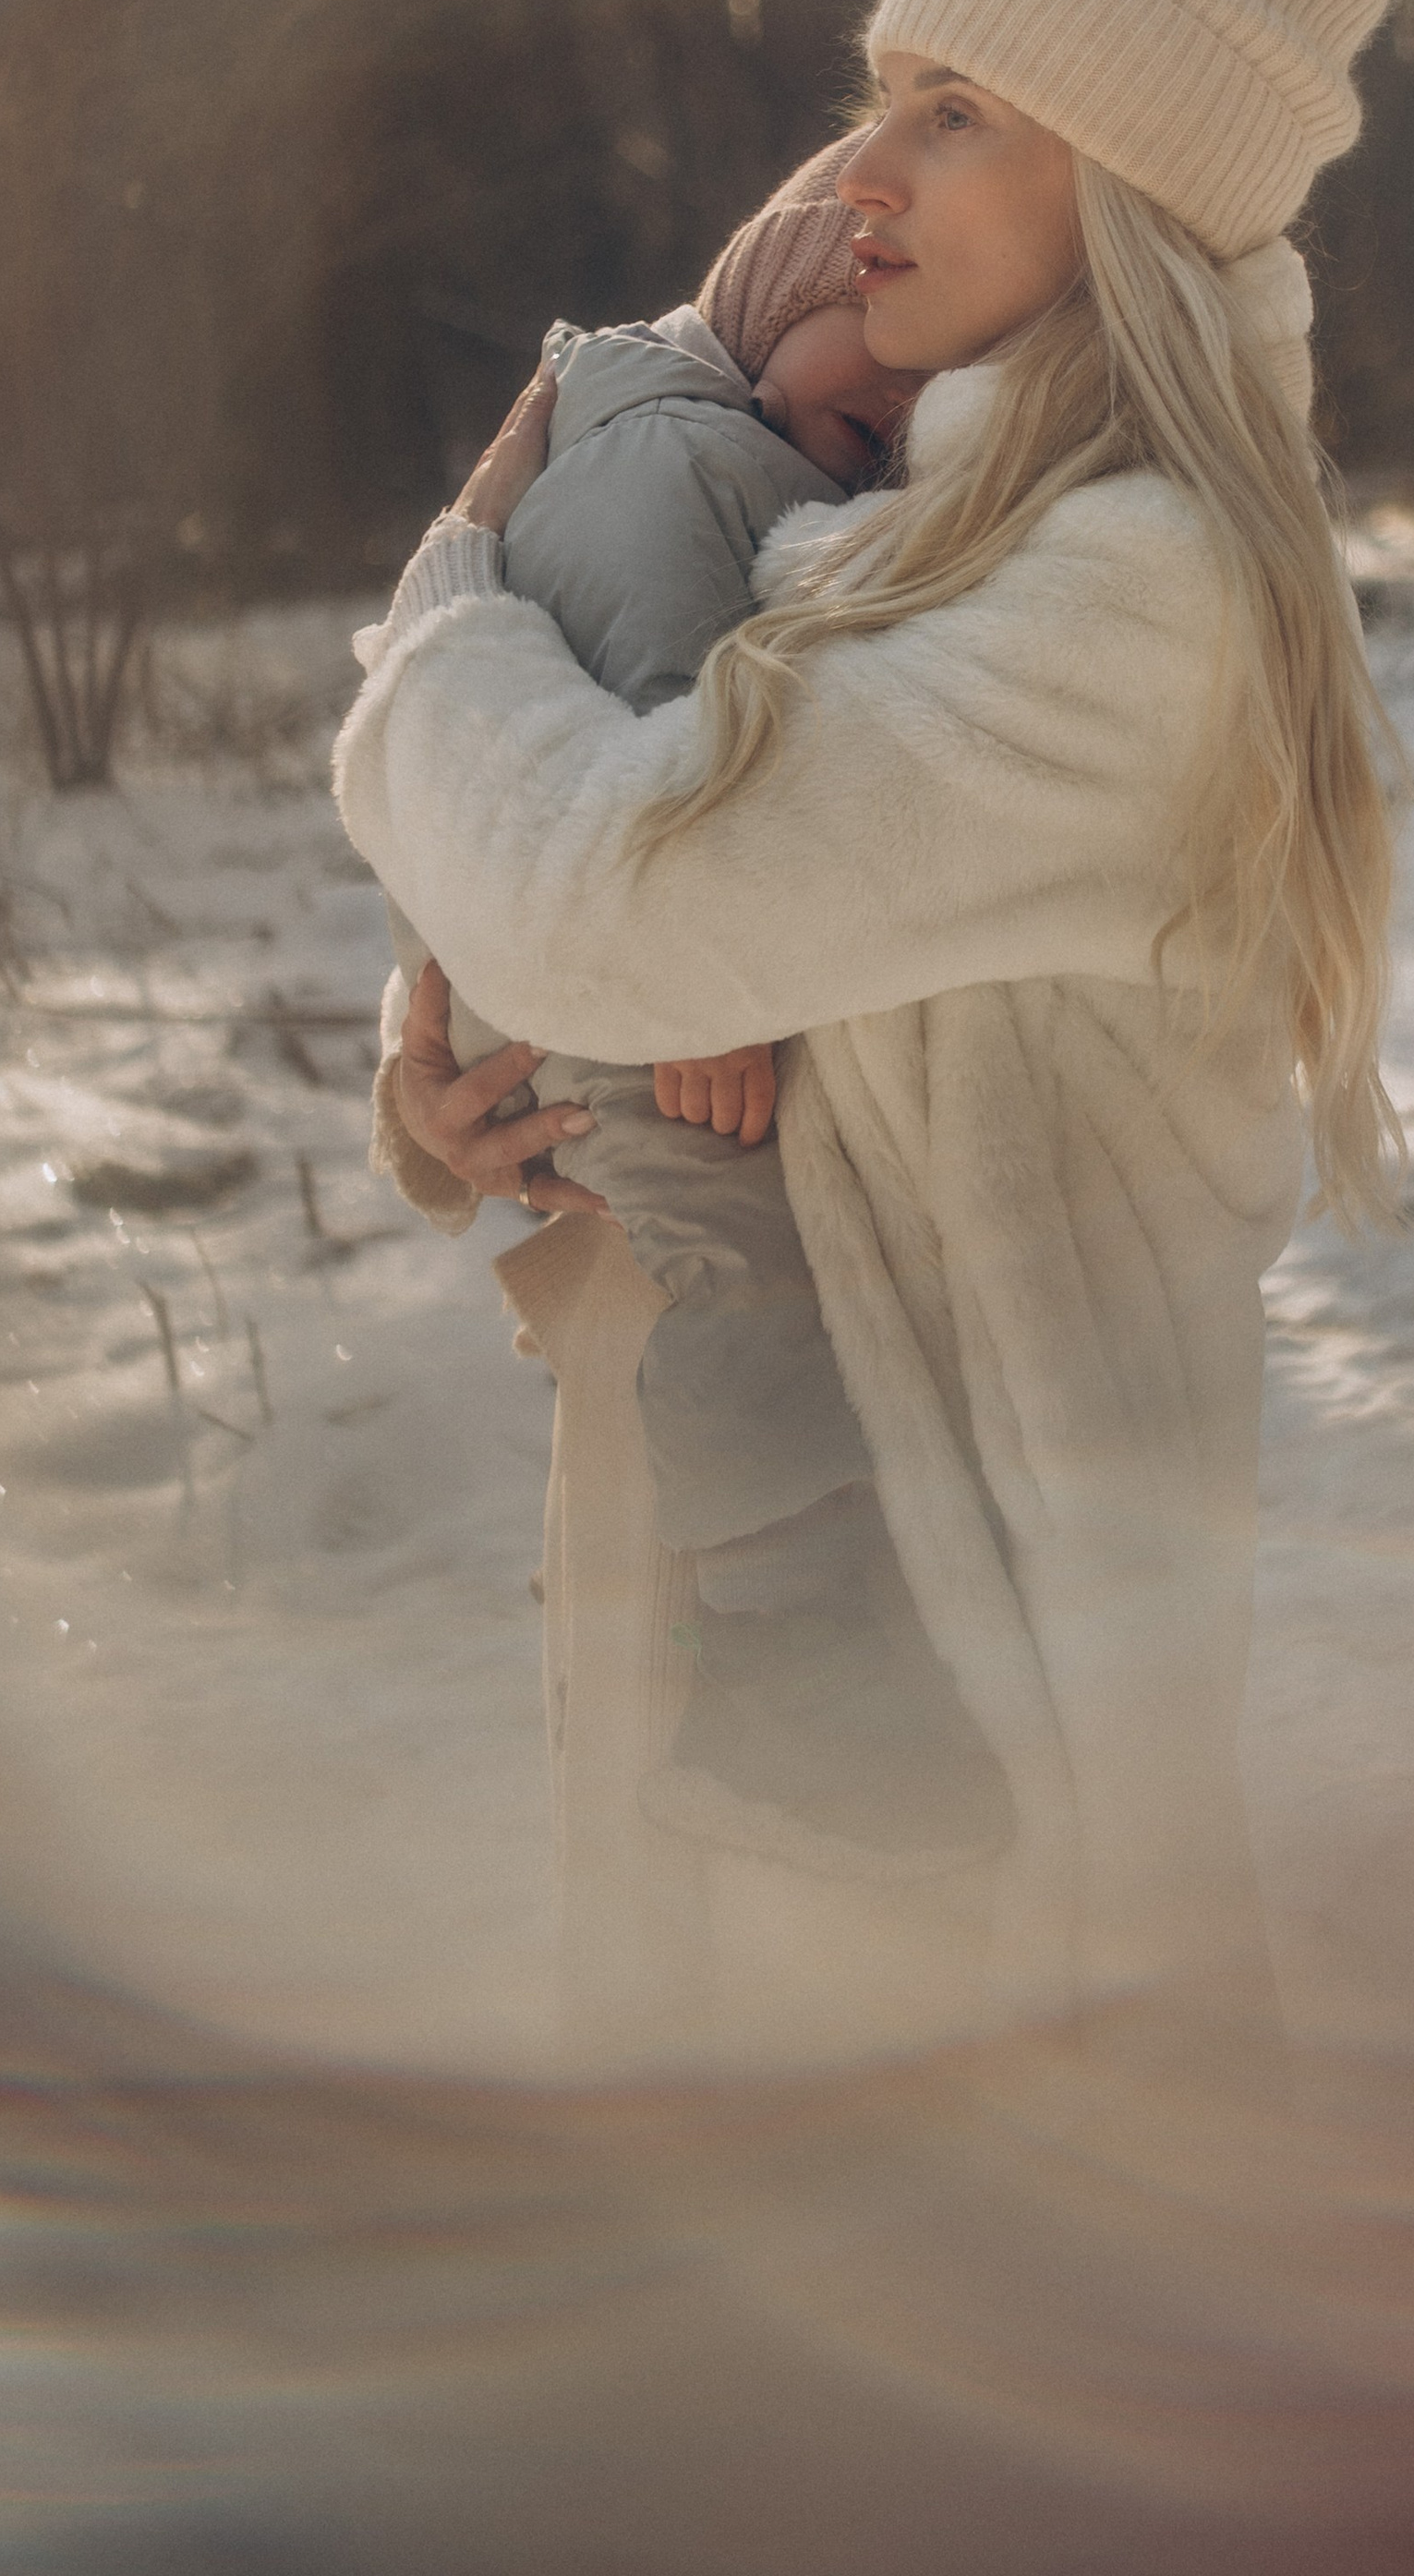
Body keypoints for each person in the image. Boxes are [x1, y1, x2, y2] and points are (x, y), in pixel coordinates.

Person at [339, 0, 1400, 2014]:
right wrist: (460, 1085)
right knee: (709, 2281)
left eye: (950, 112)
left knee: (947, 2291)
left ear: (1125, 186)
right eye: (876, 96)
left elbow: (612, 895)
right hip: (774, 1559)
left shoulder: (1143, 592)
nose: (853, 177)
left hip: (959, 1652)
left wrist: (456, 565)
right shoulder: (918, 509)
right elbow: (664, 907)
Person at [369, 149, 1009, 1872]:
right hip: (689, 1276)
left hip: (940, 1365)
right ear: (770, 302)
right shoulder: (678, 454)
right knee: (707, 1955)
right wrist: (443, 1080)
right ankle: (790, 1672)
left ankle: (799, 1681)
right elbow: (561, 761)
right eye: (866, 328)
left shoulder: (993, 509)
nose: (895, 392)